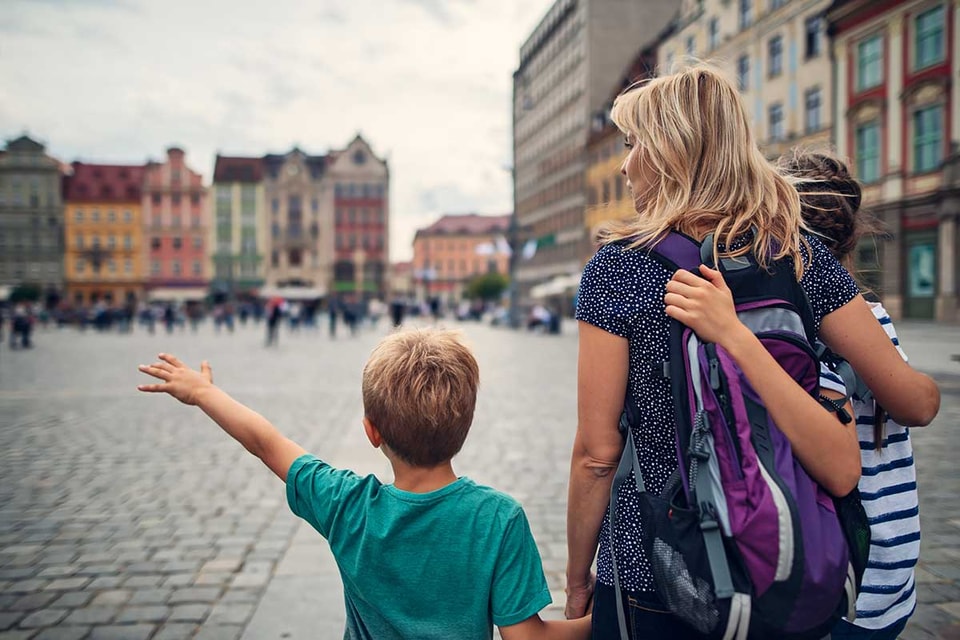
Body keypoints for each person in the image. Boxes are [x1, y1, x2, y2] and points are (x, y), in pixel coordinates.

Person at [565, 64, 939, 638]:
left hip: (654, 566)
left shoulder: (618, 269)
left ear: (671, 151)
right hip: (784, 563)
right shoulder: (798, 253)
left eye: (634, 143)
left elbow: (596, 454)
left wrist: (577, 579)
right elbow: (917, 402)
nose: (624, 162)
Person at [136, 328, 591, 640]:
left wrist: (202, 393)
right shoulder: (497, 518)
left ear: (372, 432)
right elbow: (528, 636)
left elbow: (265, 442)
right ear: (466, 423)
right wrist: (603, 618)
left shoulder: (345, 504)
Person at [780, 149, 933, 640]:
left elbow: (918, 404)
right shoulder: (870, 319)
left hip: (827, 568)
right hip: (888, 566)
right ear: (850, 237)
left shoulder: (775, 324)